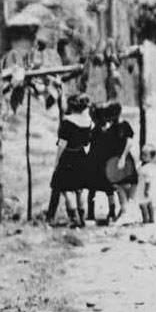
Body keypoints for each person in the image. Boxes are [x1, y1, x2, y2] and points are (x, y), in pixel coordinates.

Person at [48, 94, 94, 226]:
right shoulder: (88, 122)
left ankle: (73, 219)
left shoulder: (67, 121)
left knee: (67, 189)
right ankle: (82, 218)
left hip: (68, 157)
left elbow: (62, 143)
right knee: (80, 190)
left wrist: (57, 160)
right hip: (81, 155)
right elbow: (87, 143)